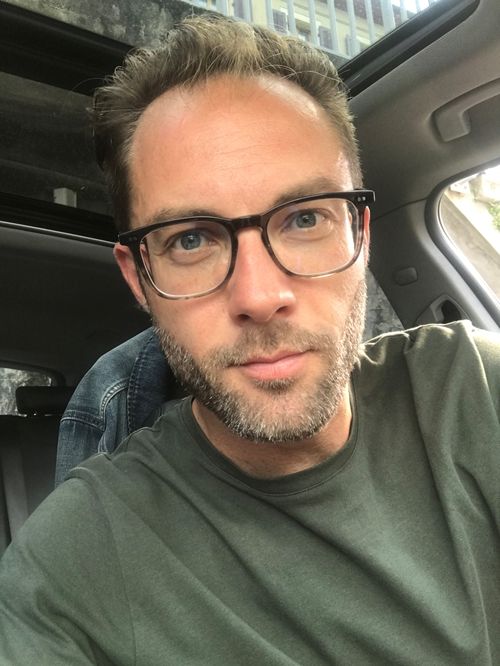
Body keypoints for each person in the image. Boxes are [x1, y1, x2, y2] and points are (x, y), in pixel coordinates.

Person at [1, 13, 500, 665]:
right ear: (139, 277)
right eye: (191, 239)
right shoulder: (67, 571)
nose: (260, 297)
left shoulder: (477, 388)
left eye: (305, 219)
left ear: (361, 232)